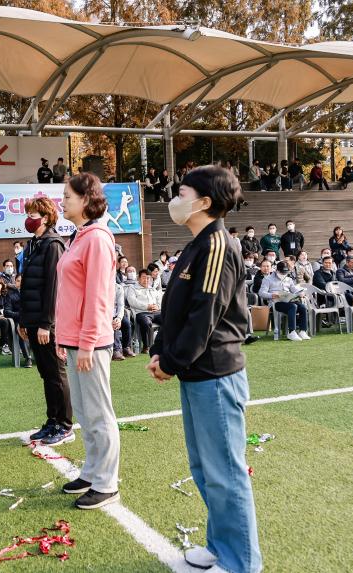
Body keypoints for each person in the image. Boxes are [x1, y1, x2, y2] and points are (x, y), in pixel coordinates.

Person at [146, 165, 261, 573]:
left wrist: (172, 361)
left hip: (215, 374)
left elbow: (204, 315)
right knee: (205, 469)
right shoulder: (197, 245)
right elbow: (175, 308)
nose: (174, 200)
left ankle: (241, 563)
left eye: (182, 193)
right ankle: (220, 546)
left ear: (205, 202)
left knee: (225, 472)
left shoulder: (217, 245)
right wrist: (161, 350)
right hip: (197, 374)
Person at [55, 172, 120, 510]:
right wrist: (63, 337)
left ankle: (107, 483)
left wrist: (87, 342)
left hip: (90, 343)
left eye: (68, 196)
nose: (62, 202)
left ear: (86, 200)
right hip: (74, 339)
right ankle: (92, 472)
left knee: (99, 413)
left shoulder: (97, 239)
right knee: (83, 412)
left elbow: (98, 297)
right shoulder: (79, 237)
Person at [18, 197, 72, 447]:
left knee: (56, 374)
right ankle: (52, 420)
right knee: (46, 374)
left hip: (46, 323)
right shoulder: (33, 244)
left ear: (47, 218)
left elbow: (54, 288)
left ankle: (65, 425)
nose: (29, 219)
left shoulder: (53, 245)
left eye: (33, 215)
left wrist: (46, 324)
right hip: (31, 320)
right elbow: (27, 286)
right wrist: (23, 320)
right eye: (28, 214)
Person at [258, 261, 310, 341]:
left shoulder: (289, 279)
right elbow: (261, 293)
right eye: (282, 272)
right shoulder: (267, 279)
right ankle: (291, 332)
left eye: (285, 272)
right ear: (277, 270)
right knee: (293, 306)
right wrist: (272, 295)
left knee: (303, 307)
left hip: (288, 300)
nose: (283, 274)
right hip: (275, 303)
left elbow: (294, 289)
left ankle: (303, 331)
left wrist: (300, 292)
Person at [125, 269, 163, 352]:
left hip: (156, 312)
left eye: (148, 278)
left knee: (168, 319)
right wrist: (146, 307)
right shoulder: (133, 288)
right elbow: (132, 302)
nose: (146, 280)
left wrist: (157, 306)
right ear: (138, 278)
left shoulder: (152, 289)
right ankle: (146, 346)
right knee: (146, 323)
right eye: (144, 277)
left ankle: (163, 343)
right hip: (141, 313)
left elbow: (159, 301)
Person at [3, 274, 32, 367]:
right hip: (19, 321)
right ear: (15, 282)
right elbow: (6, 312)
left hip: (33, 320)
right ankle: (28, 358)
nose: (21, 283)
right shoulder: (10, 295)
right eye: (18, 281)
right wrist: (20, 315)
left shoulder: (33, 293)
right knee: (20, 329)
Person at [111, 281, 134, 360]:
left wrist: (119, 318)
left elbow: (121, 305)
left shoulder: (118, 287)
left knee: (127, 323)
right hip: (105, 314)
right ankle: (116, 350)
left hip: (116, 313)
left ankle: (126, 348)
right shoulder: (101, 286)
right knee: (114, 324)